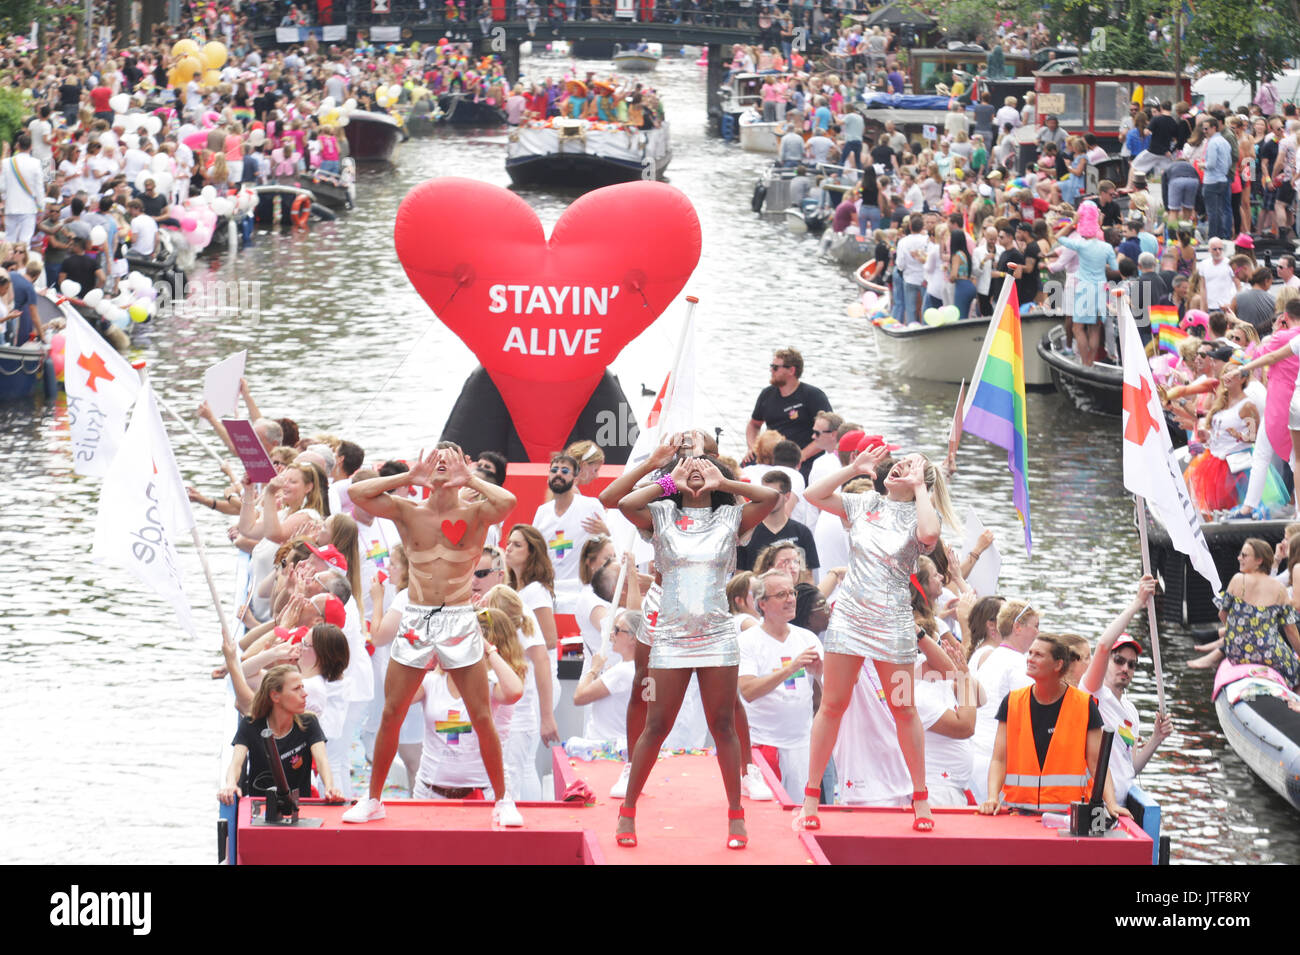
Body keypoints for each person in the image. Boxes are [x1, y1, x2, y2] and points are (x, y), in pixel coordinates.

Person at [613, 436, 780, 849]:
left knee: (722, 723)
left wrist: (724, 482)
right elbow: (621, 503)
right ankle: (627, 810)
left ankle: (736, 815)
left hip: (717, 634)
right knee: (657, 725)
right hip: (670, 634)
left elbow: (770, 496)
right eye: (688, 465)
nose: (695, 468)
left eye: (703, 464)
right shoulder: (661, 517)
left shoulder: (731, 520)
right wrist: (669, 481)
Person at [342, 445, 522, 826]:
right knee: (392, 711)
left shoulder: (476, 513)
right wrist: (409, 477)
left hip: (458, 616)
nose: (441, 466)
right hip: (417, 615)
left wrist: (469, 479)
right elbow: (356, 493)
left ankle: (503, 800)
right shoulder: (408, 511)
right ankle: (374, 799)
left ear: (463, 466)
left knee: (481, 714)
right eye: (435, 460)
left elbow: (510, 501)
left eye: (449, 460)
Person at [799, 445, 958, 831]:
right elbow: (812, 495)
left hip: (893, 624)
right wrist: (852, 467)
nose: (899, 466)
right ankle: (811, 796)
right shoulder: (864, 502)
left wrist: (921, 487)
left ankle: (921, 799)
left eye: (910, 467)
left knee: (903, 709)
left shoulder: (922, 514)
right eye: (900, 464)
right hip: (850, 618)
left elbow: (929, 533)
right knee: (832, 706)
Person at [979, 634, 1130, 819]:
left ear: (1058, 665)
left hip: (1069, 817)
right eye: (1030, 653)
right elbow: (999, 759)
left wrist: (1111, 803)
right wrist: (992, 797)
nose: (1030, 658)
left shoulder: (1084, 705)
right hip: (1017, 814)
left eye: (1038, 655)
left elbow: (1097, 763)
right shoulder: (1012, 702)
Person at [407, 607, 526, 800]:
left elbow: (514, 692)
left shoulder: (488, 684)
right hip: (430, 791)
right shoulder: (430, 682)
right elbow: (398, 697)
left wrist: (488, 648)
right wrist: (428, 651)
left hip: (481, 792)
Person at [1079, 576, 1174, 802]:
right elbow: (1103, 646)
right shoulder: (1093, 693)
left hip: (1119, 805)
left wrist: (1156, 739)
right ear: (1108, 661)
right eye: (1119, 660)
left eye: (1132, 664)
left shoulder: (1131, 711)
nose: (1125, 668)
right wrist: (1137, 603)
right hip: (1093, 801)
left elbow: (1131, 769)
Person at [218, 665, 343, 805]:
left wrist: (330, 786)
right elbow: (236, 763)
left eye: (303, 687)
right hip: (261, 806)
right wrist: (230, 784)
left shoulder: (309, 722)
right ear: (275, 695)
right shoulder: (251, 724)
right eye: (297, 689)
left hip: (300, 806)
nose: (304, 694)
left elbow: (322, 761)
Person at [531, 451, 606, 611]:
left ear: (575, 478)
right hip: (548, 591)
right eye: (554, 470)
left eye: (564, 471)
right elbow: (534, 552)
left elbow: (610, 544)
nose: (558, 474)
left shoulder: (591, 506)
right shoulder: (542, 512)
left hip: (581, 590)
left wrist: (606, 530)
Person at [745, 347, 833, 479]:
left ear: (791, 370)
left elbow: (829, 432)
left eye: (775, 367)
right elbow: (754, 425)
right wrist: (753, 448)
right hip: (771, 457)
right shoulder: (767, 394)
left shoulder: (813, 395)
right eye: (771, 366)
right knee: (736, 473)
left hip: (804, 459)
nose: (771, 370)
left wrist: (801, 456)